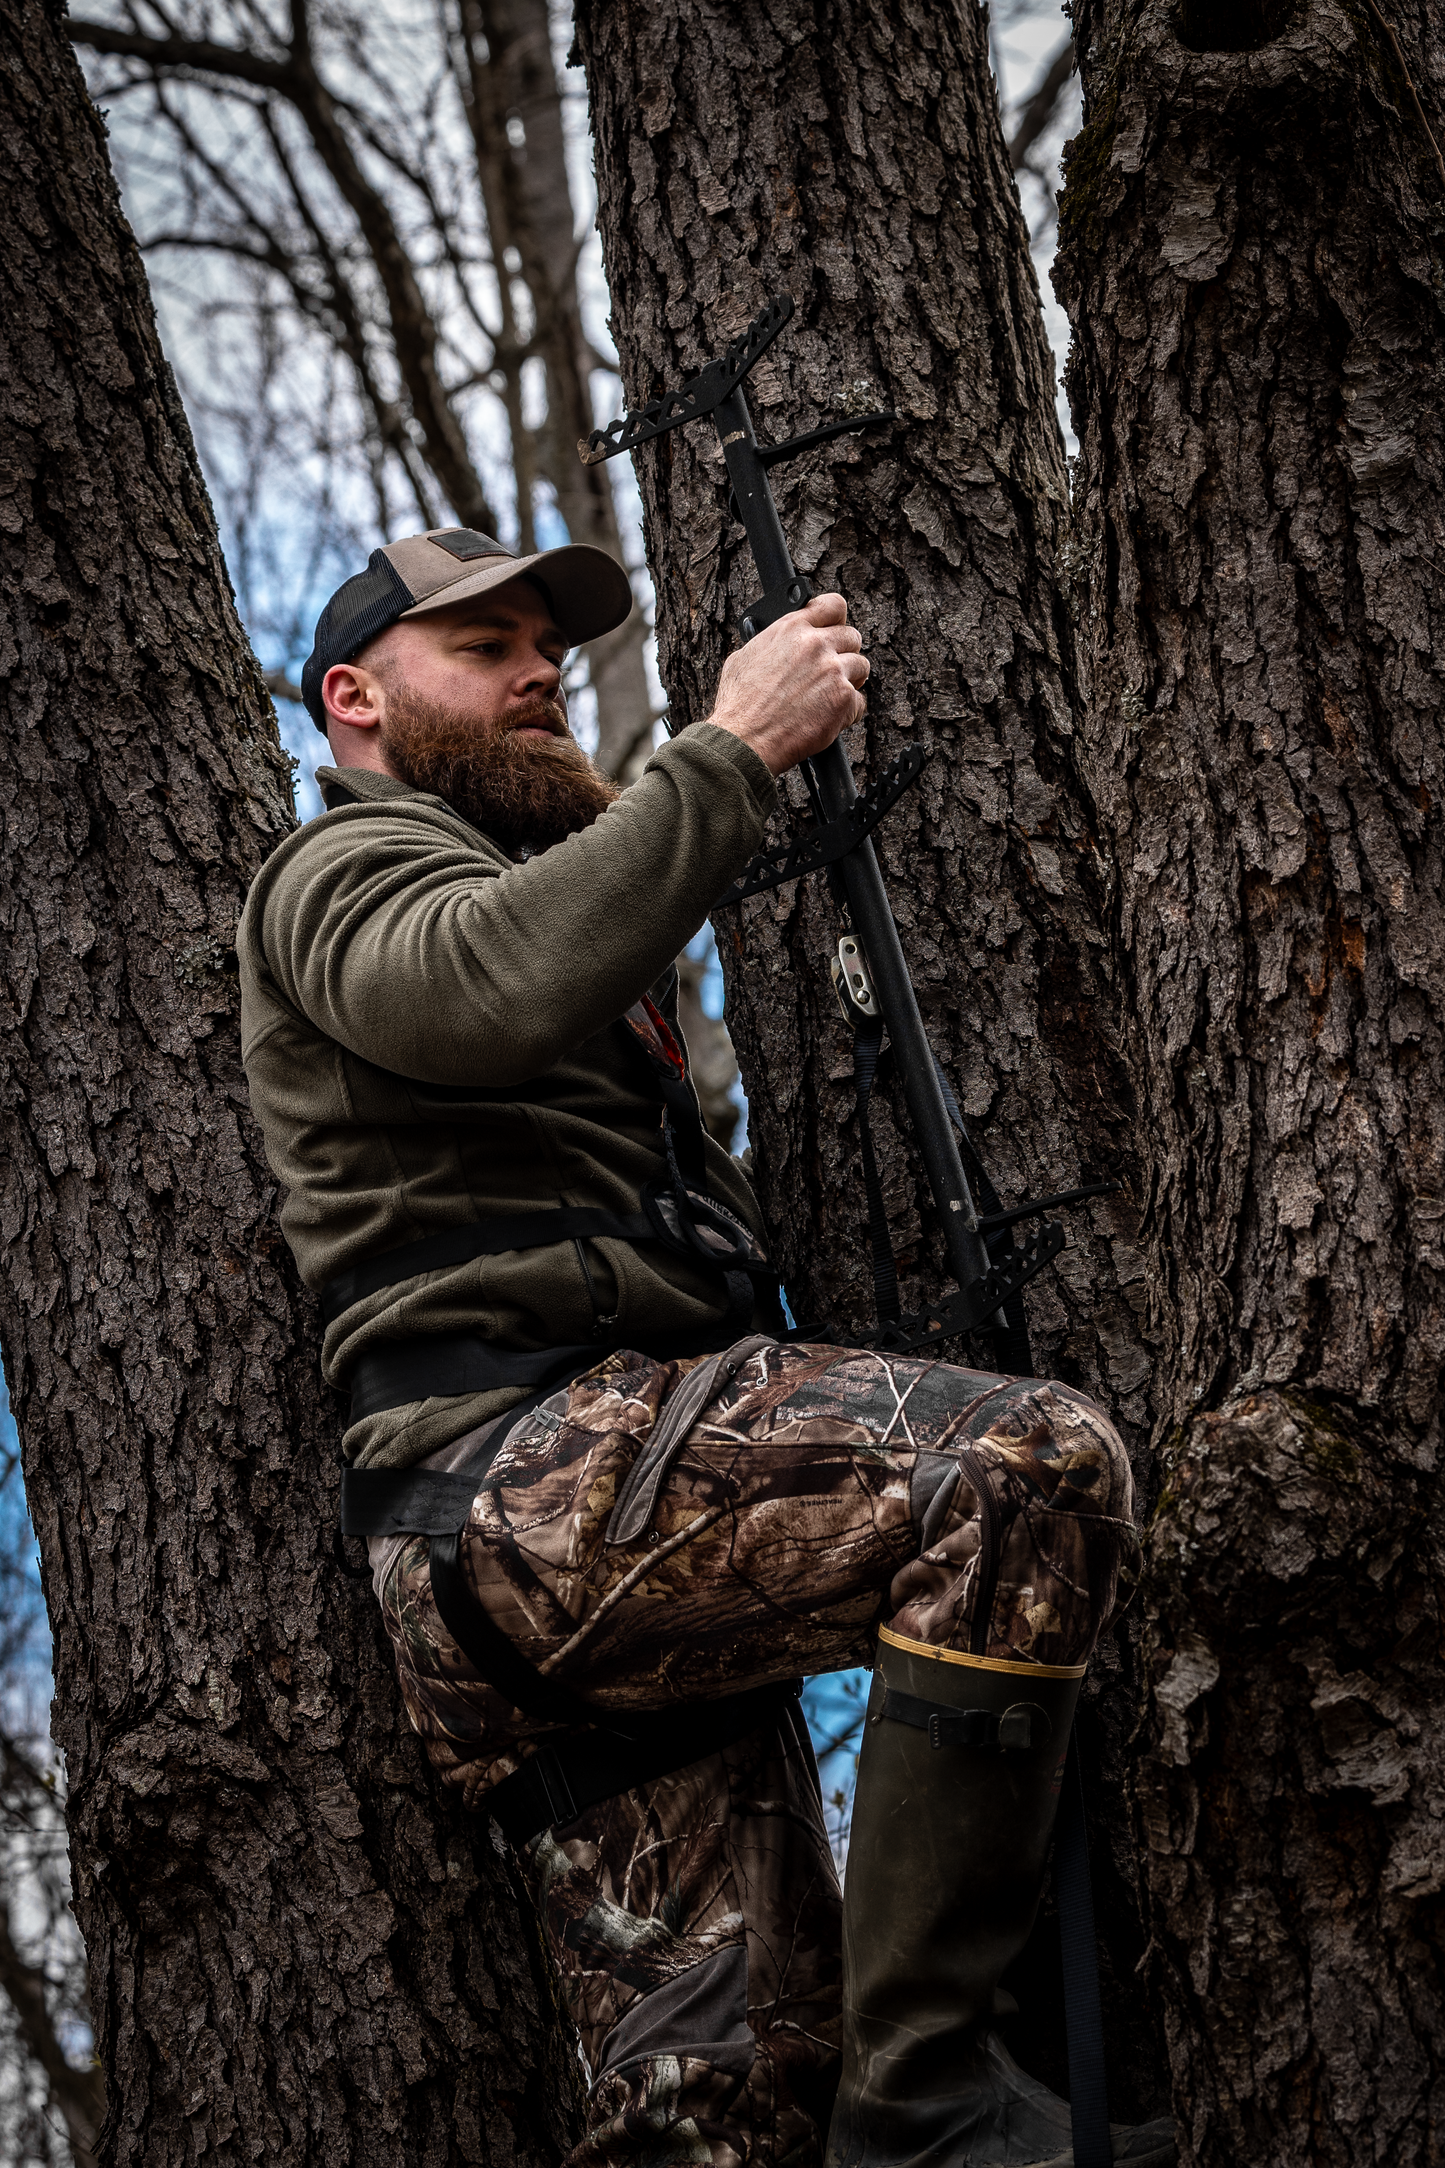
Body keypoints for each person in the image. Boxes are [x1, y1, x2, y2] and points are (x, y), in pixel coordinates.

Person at [238, 525, 1175, 2168]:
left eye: (548, 646)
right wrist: (735, 746)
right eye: (486, 644)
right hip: (533, 1482)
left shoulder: (566, 929)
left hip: (549, 1560)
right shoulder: (345, 868)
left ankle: (879, 2099)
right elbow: (478, 988)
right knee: (1024, 1468)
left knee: (727, 2106)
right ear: (353, 701)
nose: (539, 674)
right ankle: (936, 2098)